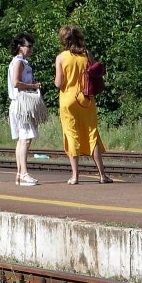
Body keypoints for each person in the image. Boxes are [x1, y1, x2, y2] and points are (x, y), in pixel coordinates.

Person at [53, 24, 109, 185]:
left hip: (68, 100)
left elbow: (58, 83)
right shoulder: (86, 54)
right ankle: (102, 175)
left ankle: (75, 176)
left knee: (71, 134)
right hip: (86, 99)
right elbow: (94, 75)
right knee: (92, 134)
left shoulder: (61, 57)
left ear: (63, 39)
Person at [6, 33, 45, 186]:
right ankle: (23, 174)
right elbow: (16, 83)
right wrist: (33, 86)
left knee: (22, 140)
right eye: (28, 46)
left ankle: (19, 173)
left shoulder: (19, 62)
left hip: (17, 103)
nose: (31, 49)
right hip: (21, 104)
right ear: (19, 47)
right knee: (26, 139)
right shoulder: (19, 62)